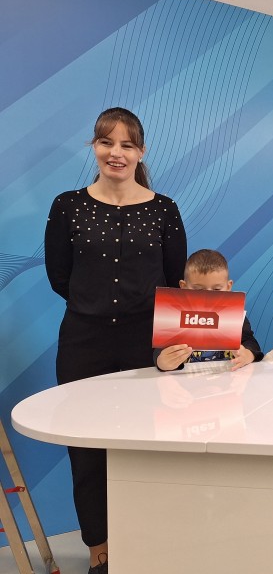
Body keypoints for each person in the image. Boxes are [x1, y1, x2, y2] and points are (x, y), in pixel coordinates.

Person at [44, 107, 187, 574]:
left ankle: (144, 543)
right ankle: (99, 550)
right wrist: (95, 306)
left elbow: (173, 282)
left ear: (141, 152)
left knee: (146, 445)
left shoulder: (164, 209)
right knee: (86, 452)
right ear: (94, 147)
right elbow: (60, 277)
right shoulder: (67, 205)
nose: (116, 153)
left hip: (146, 347)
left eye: (127, 144)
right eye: (106, 142)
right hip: (83, 343)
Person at [154, 249, 264, 371]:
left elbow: (251, 343)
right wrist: (162, 362)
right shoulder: (174, 317)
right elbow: (160, 349)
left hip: (227, 377)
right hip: (184, 379)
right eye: (199, 290)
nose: (208, 297)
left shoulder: (234, 316)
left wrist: (248, 355)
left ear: (228, 287)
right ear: (183, 287)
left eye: (216, 289)